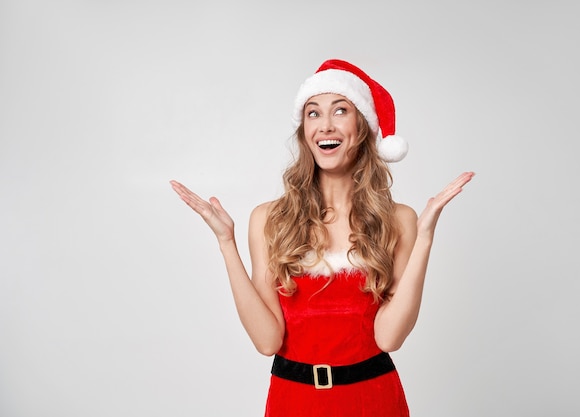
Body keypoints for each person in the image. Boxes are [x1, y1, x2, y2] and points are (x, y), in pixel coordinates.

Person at [170, 59, 474, 417]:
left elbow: (389, 339)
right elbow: (267, 341)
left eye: (340, 110)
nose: (325, 125)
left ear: (362, 127)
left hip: (372, 401)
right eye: (313, 113)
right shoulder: (270, 219)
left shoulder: (399, 220)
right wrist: (226, 243)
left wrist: (424, 239)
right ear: (304, 131)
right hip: (293, 402)